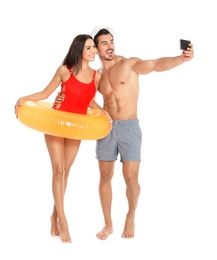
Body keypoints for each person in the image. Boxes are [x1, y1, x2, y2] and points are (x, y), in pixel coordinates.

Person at [54, 28, 194, 240]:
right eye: (104, 43)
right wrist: (61, 99)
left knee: (131, 178)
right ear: (96, 48)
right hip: (106, 127)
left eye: (111, 41)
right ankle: (108, 224)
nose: (110, 46)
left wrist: (180, 59)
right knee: (105, 176)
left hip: (129, 126)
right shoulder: (97, 76)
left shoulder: (128, 64)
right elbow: (85, 98)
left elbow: (156, 64)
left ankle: (130, 216)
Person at [14, 34, 111, 243]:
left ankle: (54, 214)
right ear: (79, 50)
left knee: (67, 170)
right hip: (56, 123)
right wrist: (24, 98)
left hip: (76, 127)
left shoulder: (96, 76)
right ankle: (63, 220)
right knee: (58, 170)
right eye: (89, 48)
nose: (94, 51)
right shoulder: (64, 71)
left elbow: (89, 101)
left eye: (94, 47)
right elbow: (45, 92)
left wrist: (103, 111)